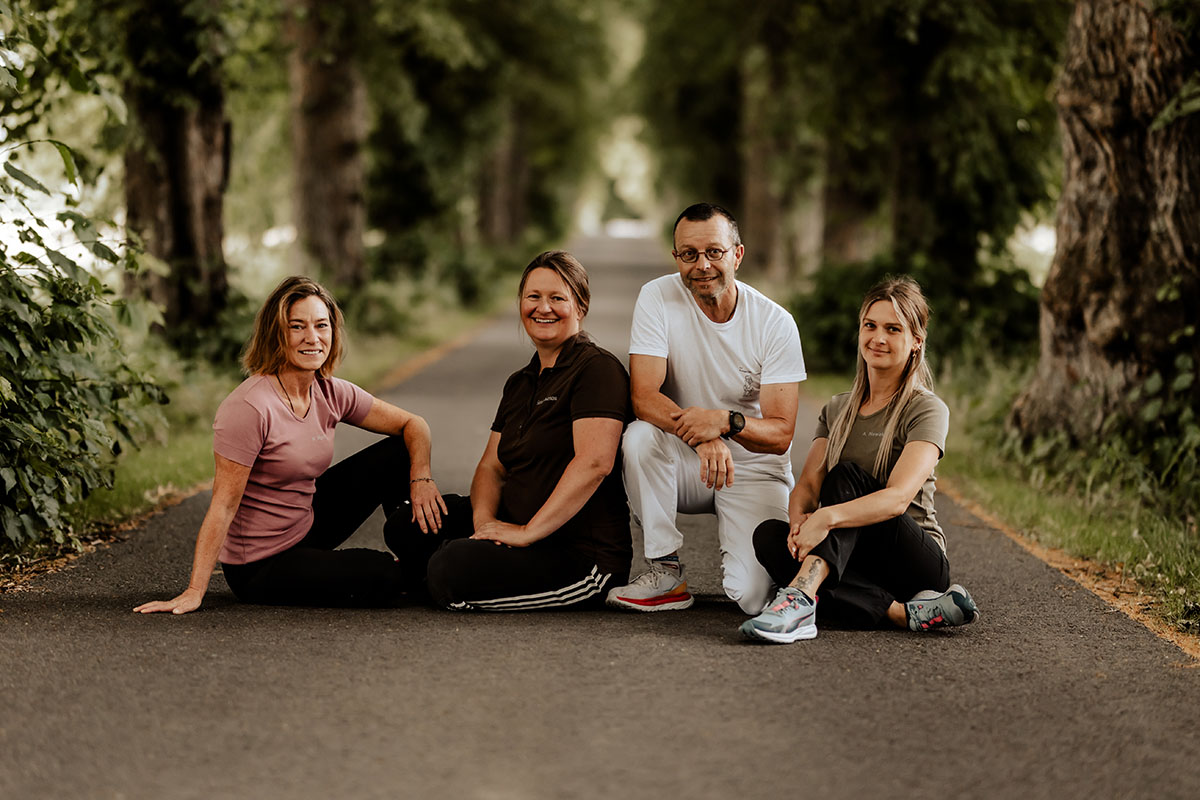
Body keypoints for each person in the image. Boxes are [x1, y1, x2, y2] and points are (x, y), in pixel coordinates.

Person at [135, 276, 446, 614]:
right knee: (382, 575)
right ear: (276, 334)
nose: (312, 338)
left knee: (399, 452)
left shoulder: (330, 391)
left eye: (321, 325)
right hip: (261, 564)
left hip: (306, 523)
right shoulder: (250, 407)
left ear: (332, 332)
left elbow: (414, 425)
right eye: (297, 327)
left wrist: (421, 478)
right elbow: (223, 505)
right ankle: (398, 574)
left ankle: (420, 559)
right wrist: (195, 590)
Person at [384, 250, 632, 610]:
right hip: (511, 526)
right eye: (533, 297)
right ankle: (444, 568)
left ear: (580, 306)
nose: (542, 308)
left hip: (578, 556)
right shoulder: (521, 382)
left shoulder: (597, 370)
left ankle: (434, 574)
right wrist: (485, 525)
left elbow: (595, 463)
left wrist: (526, 533)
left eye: (557, 298)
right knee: (405, 524)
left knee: (450, 569)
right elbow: (491, 467)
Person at [740, 276, 979, 643]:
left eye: (893, 329)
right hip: (850, 556)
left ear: (916, 341)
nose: (878, 338)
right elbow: (806, 486)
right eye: (870, 325)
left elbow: (898, 498)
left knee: (845, 477)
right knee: (768, 537)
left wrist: (826, 516)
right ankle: (901, 613)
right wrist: (800, 522)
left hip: (914, 561)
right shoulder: (837, 408)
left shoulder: (927, 409)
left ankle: (800, 597)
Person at [605, 203, 805, 615]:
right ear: (677, 256)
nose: (702, 265)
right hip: (687, 459)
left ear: (737, 254)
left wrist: (725, 424)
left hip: (753, 467)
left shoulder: (775, 323)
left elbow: (781, 433)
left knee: (752, 599)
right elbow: (643, 397)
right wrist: (702, 436)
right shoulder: (657, 297)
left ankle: (748, 568)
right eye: (689, 254)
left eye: (714, 252)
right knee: (639, 439)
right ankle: (665, 571)